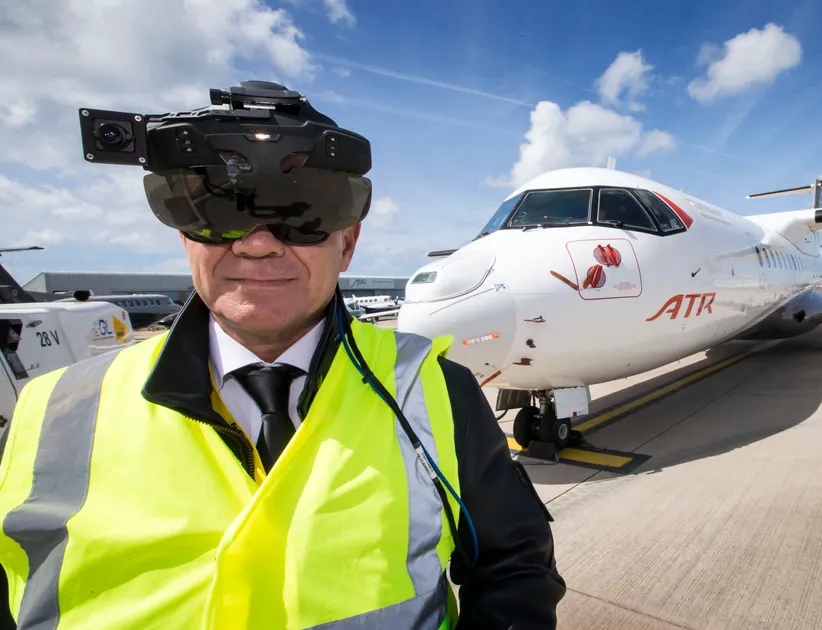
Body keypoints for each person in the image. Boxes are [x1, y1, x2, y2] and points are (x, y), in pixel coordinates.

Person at [0, 81, 565, 629]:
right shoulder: (51, 413)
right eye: (219, 210)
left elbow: (515, 566)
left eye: (303, 211)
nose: (257, 242)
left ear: (347, 243)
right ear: (185, 236)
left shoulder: (436, 391)